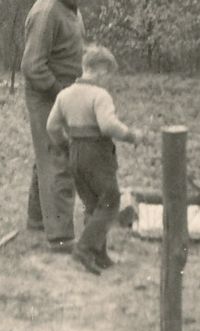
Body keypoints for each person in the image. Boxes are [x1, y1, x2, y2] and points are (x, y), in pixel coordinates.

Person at [46, 44, 144, 275]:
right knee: (110, 202)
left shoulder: (64, 94)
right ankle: (85, 248)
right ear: (100, 70)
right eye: (108, 74)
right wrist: (132, 136)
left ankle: (99, 254)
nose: (108, 80)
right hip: (97, 154)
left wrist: (64, 145)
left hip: (76, 152)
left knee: (93, 204)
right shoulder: (100, 95)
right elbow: (108, 125)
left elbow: (51, 126)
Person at [21, 0, 95, 251]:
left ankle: (38, 220)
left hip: (65, 92)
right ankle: (61, 236)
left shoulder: (70, 8)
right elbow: (33, 66)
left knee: (49, 155)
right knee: (58, 161)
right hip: (46, 95)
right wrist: (61, 96)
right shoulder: (47, 12)